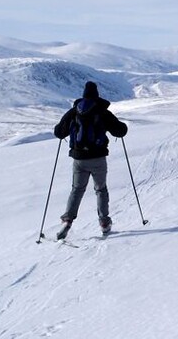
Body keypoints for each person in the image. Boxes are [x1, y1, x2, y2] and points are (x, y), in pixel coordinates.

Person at [53, 81, 128, 239]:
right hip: (98, 158)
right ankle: (104, 223)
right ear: (97, 95)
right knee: (100, 190)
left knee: (77, 189)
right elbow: (120, 130)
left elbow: (59, 132)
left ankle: (67, 220)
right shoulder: (102, 112)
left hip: (79, 159)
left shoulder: (74, 112)